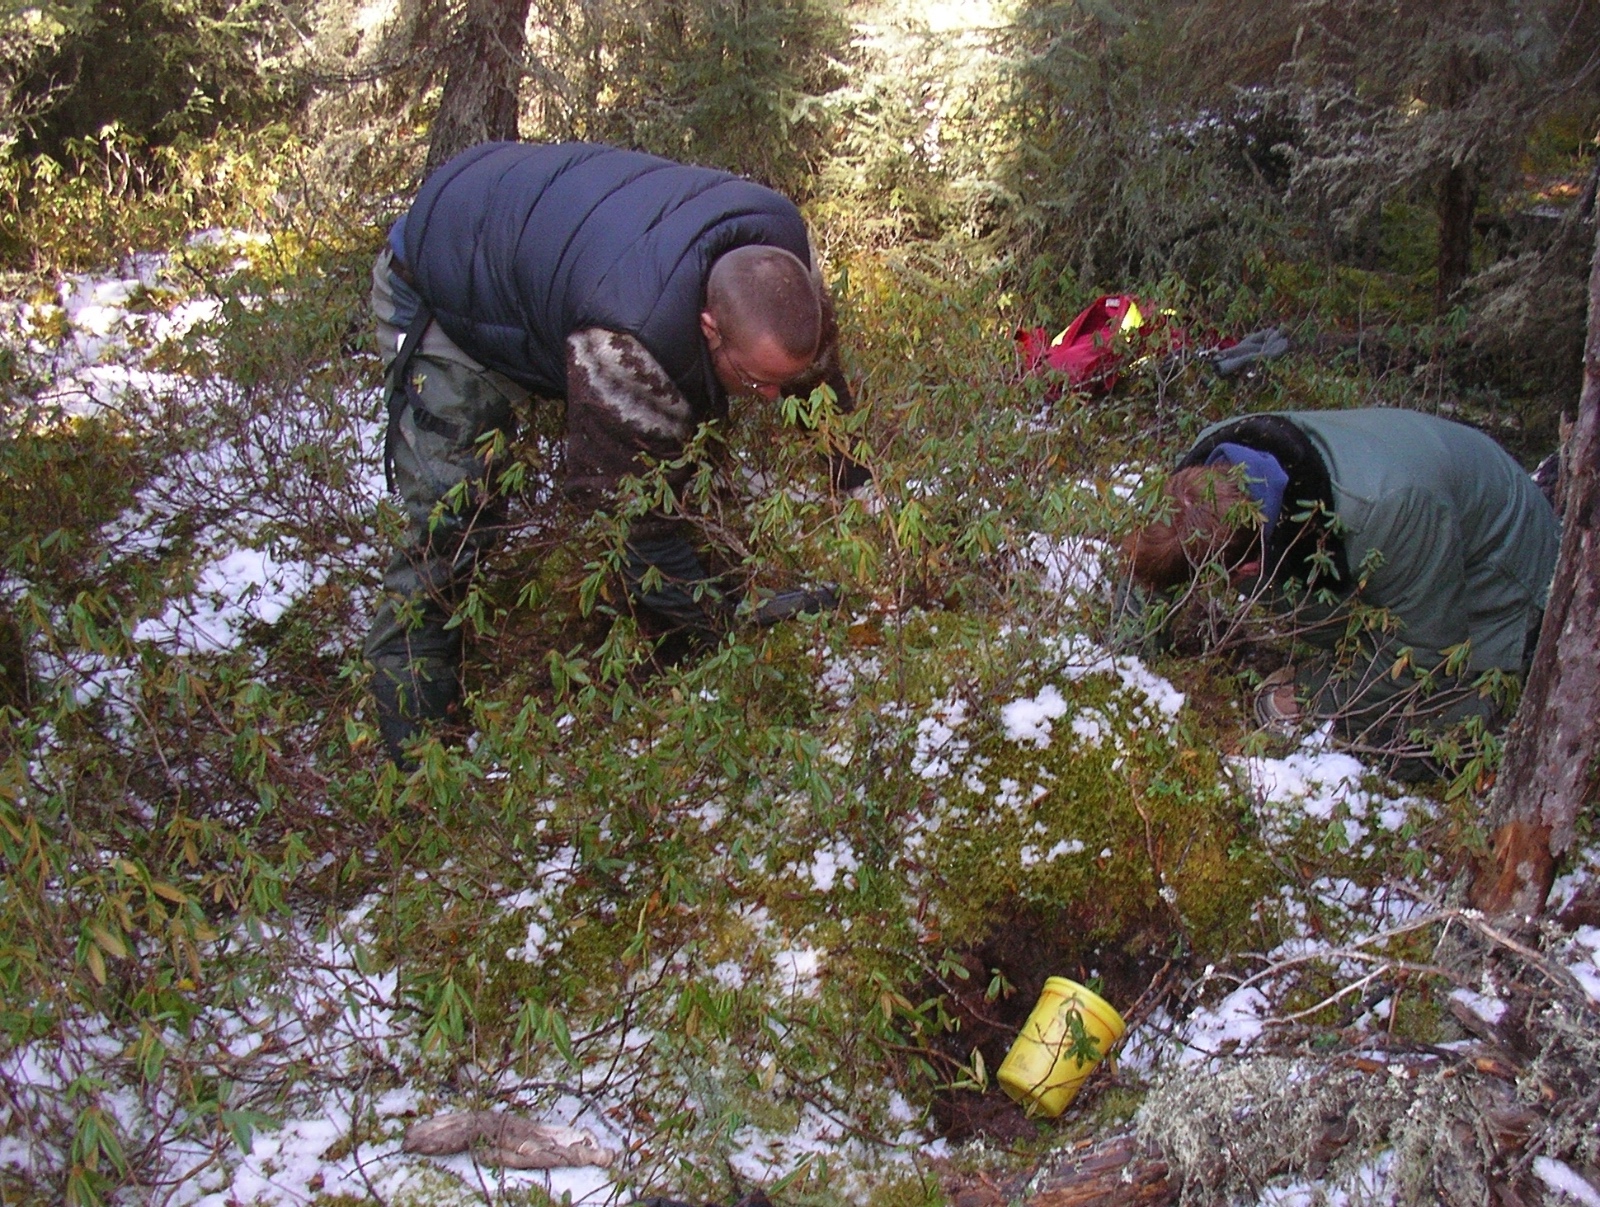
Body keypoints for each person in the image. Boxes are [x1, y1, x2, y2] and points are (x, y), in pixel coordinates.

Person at [366, 141, 870, 764]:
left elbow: (814, 376)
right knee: (453, 508)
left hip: (546, 229)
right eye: (755, 381)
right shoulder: (627, 336)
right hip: (446, 273)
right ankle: (417, 740)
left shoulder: (784, 256)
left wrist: (855, 482)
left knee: (686, 447)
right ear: (709, 327)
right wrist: (727, 620)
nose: (771, 398)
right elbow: (631, 522)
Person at [1123, 408, 1559, 768]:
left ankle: (1488, 693)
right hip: (1408, 530)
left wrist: (1310, 693)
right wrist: (1125, 664)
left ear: (1250, 563)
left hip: (1502, 569)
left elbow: (1427, 651)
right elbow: (1152, 565)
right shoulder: (1210, 465)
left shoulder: (1388, 512)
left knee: (1402, 748)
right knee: (1303, 604)